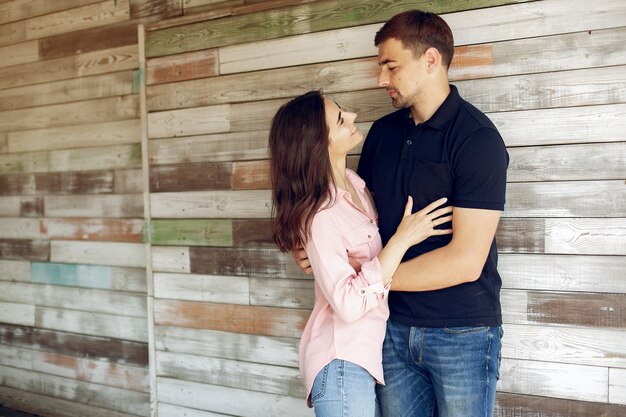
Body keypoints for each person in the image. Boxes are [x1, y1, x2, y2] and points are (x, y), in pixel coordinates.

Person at [294, 10, 509, 417]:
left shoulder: (477, 141)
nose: (381, 80)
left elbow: (466, 262)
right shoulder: (383, 134)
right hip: (388, 332)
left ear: (430, 60)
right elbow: (354, 220)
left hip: (461, 332)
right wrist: (316, 252)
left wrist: (360, 281)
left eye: (390, 66)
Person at [268, 90, 453, 417]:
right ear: (319, 143)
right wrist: (402, 239)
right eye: (340, 120)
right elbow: (348, 304)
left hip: (367, 356)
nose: (352, 117)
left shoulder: (358, 186)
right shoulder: (320, 214)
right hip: (340, 359)